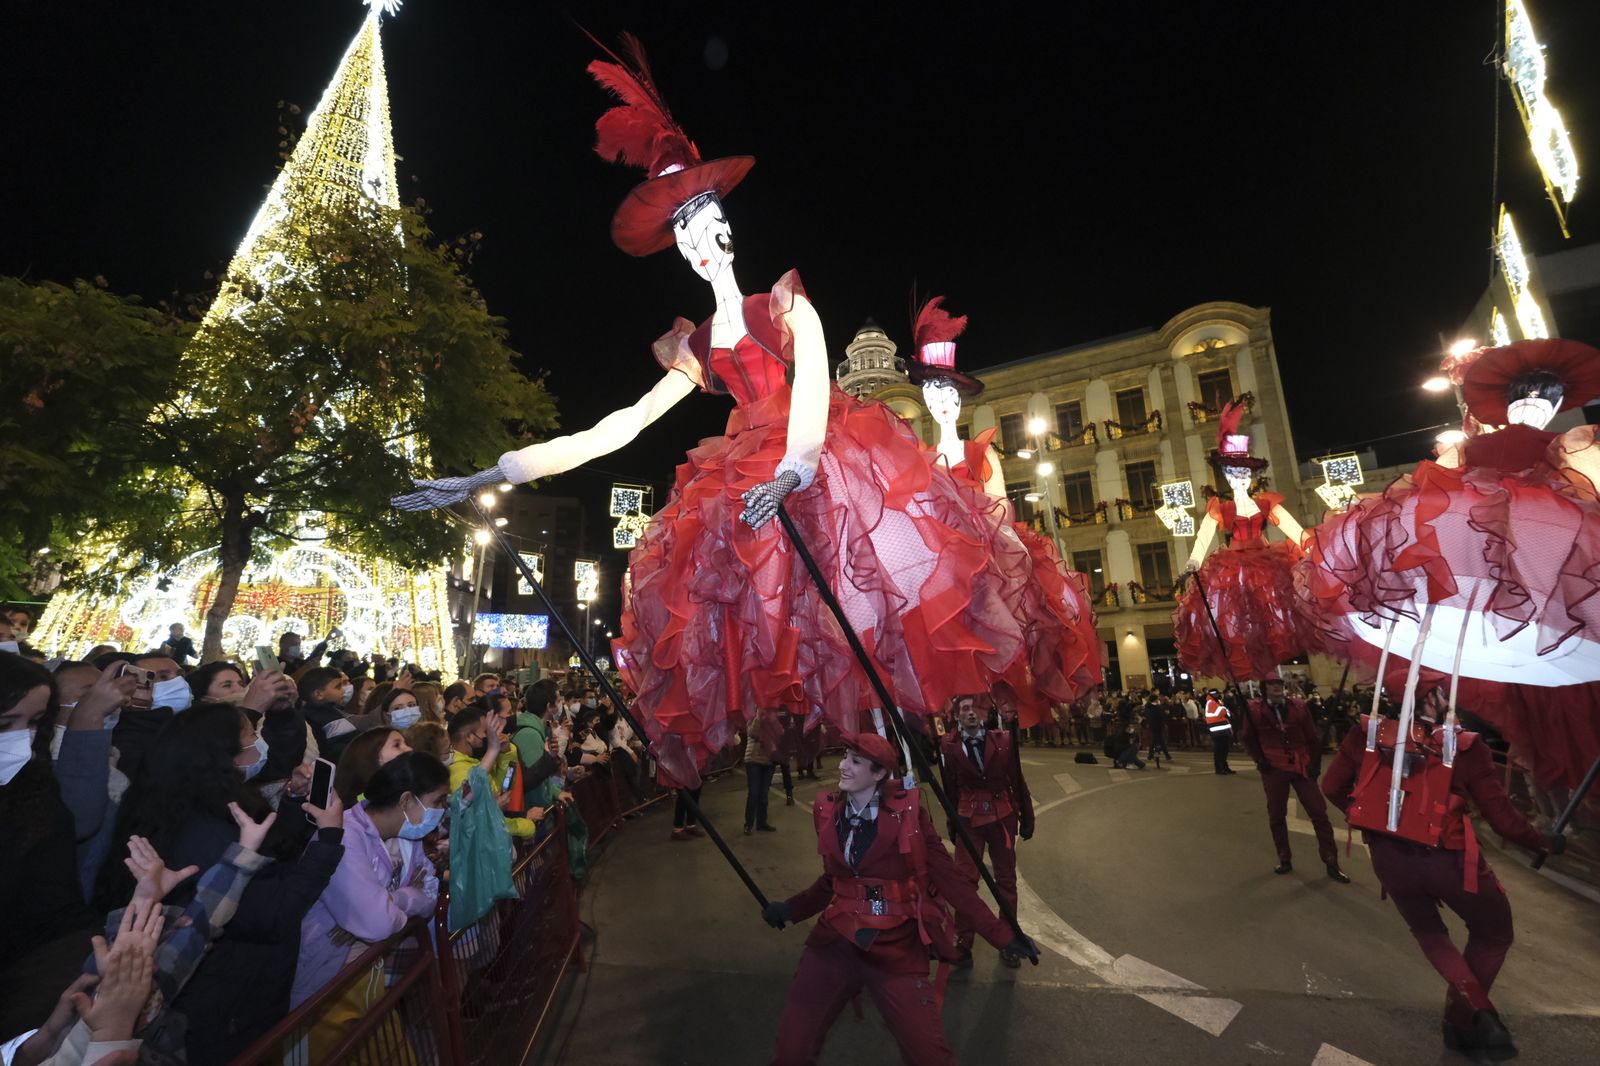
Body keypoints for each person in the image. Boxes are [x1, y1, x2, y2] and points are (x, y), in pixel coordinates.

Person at [395, 42, 1054, 786]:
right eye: (682, 234)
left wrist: (796, 468)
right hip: (750, 477)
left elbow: (813, 386)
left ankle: (910, 759)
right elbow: (626, 422)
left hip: (824, 464)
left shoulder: (784, 305)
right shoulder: (699, 345)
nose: (696, 242)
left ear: (726, 226)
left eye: (704, 223)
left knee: (877, 596)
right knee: (762, 613)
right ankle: (869, 770)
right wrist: (498, 471)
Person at [762, 733, 1037, 1064]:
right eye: (845, 757)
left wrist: (1003, 935)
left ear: (879, 773)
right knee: (791, 1051)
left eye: (855, 761)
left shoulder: (909, 816)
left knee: (929, 1056)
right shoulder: (827, 810)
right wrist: (790, 909)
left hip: (896, 949)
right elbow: (831, 882)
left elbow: (953, 883)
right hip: (834, 944)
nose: (843, 765)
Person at [95, 701, 346, 1062]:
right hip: (228, 1004)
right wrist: (329, 839)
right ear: (222, 754)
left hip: (231, 993)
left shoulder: (189, 803)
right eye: (251, 736)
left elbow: (270, 854)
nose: (259, 743)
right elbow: (273, 913)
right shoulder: (207, 833)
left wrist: (293, 800)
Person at [1322, 687, 1564, 1058]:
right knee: (1494, 933)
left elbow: (1331, 786)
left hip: (1389, 860)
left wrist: (1373, 822)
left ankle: (1473, 1013)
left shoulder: (1365, 735)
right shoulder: (1465, 747)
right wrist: (1545, 843)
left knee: (1430, 933)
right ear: (1434, 697)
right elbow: (1504, 822)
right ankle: (1468, 1017)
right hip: (1449, 860)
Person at [908, 295, 1102, 727]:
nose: (943, 400)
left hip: (989, 560)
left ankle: (1001, 712)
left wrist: (999, 560)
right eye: (934, 391)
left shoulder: (981, 452)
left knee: (1008, 632)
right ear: (924, 399)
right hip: (946, 566)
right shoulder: (923, 459)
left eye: (949, 391)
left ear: (960, 399)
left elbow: (999, 509)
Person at [292, 753, 445, 1059]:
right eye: (438, 800)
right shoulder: (344, 835)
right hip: (322, 988)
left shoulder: (407, 838)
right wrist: (400, 900)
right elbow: (378, 923)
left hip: (369, 980)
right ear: (406, 800)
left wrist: (393, 899)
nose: (442, 810)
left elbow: (429, 894)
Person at [1176, 401, 1323, 680]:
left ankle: (1270, 667)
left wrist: (1310, 545)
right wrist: (1194, 560)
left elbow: (1292, 527)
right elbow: (1204, 534)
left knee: (1274, 612)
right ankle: (1248, 664)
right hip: (1234, 566)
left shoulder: (1265, 503)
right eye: (1234, 473)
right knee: (1234, 615)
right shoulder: (1223, 507)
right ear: (1227, 476)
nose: (1240, 478)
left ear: (1250, 475)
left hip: (1266, 562)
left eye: (1244, 473)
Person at [0, 653, 99, 1040]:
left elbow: (55, 906)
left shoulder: (37, 792)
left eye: (34, 723)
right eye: (5, 724)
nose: (21, 740)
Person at [938, 695, 1034, 968]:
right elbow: (950, 789)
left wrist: (1027, 816)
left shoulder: (1004, 741)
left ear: (985, 713)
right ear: (957, 714)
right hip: (968, 819)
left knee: (1006, 880)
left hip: (1002, 816)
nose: (971, 713)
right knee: (965, 881)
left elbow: (1017, 780)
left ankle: (1009, 940)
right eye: (965, 708)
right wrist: (953, 825)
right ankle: (963, 942)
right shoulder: (948, 746)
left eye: (976, 708)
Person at [1241, 678, 1348, 882]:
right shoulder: (1254, 710)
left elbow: (1312, 737)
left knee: (1319, 813)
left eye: (1279, 683)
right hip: (1274, 767)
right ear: (1264, 688)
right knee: (1276, 815)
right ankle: (1284, 857)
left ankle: (1331, 861)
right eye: (1271, 684)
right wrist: (1259, 759)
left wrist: (1315, 763)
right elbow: (1248, 737)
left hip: (1301, 765)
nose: (1277, 687)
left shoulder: (1298, 707)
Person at [334, 726, 413, 807]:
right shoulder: (359, 807)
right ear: (372, 757)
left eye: (406, 743)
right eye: (397, 745)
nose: (409, 749)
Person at [743, 709, 779, 835]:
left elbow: (780, 733)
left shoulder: (773, 717)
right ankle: (748, 824)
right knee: (754, 793)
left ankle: (762, 823)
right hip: (753, 760)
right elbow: (753, 732)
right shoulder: (752, 715)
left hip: (769, 761)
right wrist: (759, 716)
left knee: (764, 794)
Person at [1204, 688, 1235, 774]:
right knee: (1219, 750)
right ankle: (1219, 768)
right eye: (1217, 694)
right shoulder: (1211, 703)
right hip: (1217, 731)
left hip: (1223, 729)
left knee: (1225, 749)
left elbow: (1228, 714)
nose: (1219, 695)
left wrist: (1224, 709)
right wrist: (1223, 708)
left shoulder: (1217, 702)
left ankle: (1224, 767)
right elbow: (1220, 713)